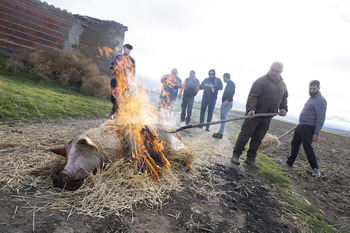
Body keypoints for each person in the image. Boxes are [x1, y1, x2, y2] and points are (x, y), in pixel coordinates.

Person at [231, 62, 288, 168]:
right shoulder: (261, 81)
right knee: (245, 135)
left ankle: (250, 158)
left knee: (258, 138)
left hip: (267, 117)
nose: (274, 72)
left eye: (277, 71)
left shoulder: (282, 85)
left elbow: (284, 97)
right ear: (270, 68)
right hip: (254, 115)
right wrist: (251, 109)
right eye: (272, 69)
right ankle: (236, 155)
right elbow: (253, 96)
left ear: (281, 72)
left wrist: (284, 108)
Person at [280, 80, 327, 178]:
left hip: (308, 128)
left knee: (307, 147)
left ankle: (316, 169)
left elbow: (321, 118)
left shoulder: (321, 100)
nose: (312, 90)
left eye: (314, 89)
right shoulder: (312, 98)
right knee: (295, 144)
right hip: (301, 126)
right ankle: (289, 163)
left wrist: (316, 133)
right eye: (310, 88)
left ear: (319, 88)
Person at [108, 43, 135, 119]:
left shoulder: (132, 61)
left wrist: (131, 82)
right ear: (123, 49)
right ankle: (119, 109)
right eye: (125, 48)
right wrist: (112, 67)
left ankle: (112, 113)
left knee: (118, 98)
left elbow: (133, 73)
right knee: (113, 98)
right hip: (114, 80)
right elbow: (111, 65)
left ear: (130, 51)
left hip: (123, 82)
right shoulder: (118, 57)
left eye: (129, 49)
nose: (127, 50)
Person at [213, 73, 236, 139]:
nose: (223, 80)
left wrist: (227, 100)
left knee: (223, 119)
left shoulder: (231, 83)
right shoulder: (229, 84)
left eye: (223, 78)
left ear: (225, 77)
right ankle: (220, 132)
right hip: (225, 102)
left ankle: (220, 134)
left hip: (227, 103)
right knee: (223, 118)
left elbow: (232, 92)